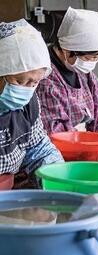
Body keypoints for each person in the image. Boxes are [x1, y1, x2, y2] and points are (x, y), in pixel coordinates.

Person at [36, 7, 98, 135]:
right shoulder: (45, 79)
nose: (92, 63)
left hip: (86, 142)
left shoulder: (87, 76)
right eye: (87, 58)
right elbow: (56, 133)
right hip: (64, 147)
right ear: (67, 50)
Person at [0, 19, 63, 186]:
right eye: (20, 81)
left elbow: (38, 149)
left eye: (34, 83)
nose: (26, 90)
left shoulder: (28, 105)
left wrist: (60, 182)